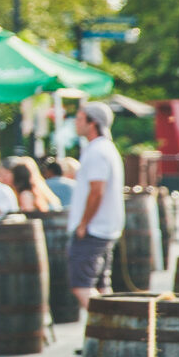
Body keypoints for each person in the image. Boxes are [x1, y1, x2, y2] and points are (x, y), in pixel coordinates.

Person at [68, 101, 127, 312]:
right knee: (102, 286)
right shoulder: (104, 148)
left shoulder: (97, 151)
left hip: (94, 229)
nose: (75, 123)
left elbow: (97, 191)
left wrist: (84, 224)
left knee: (81, 286)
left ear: (92, 123)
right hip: (104, 227)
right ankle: (109, 336)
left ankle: (111, 329)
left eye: (79, 118)